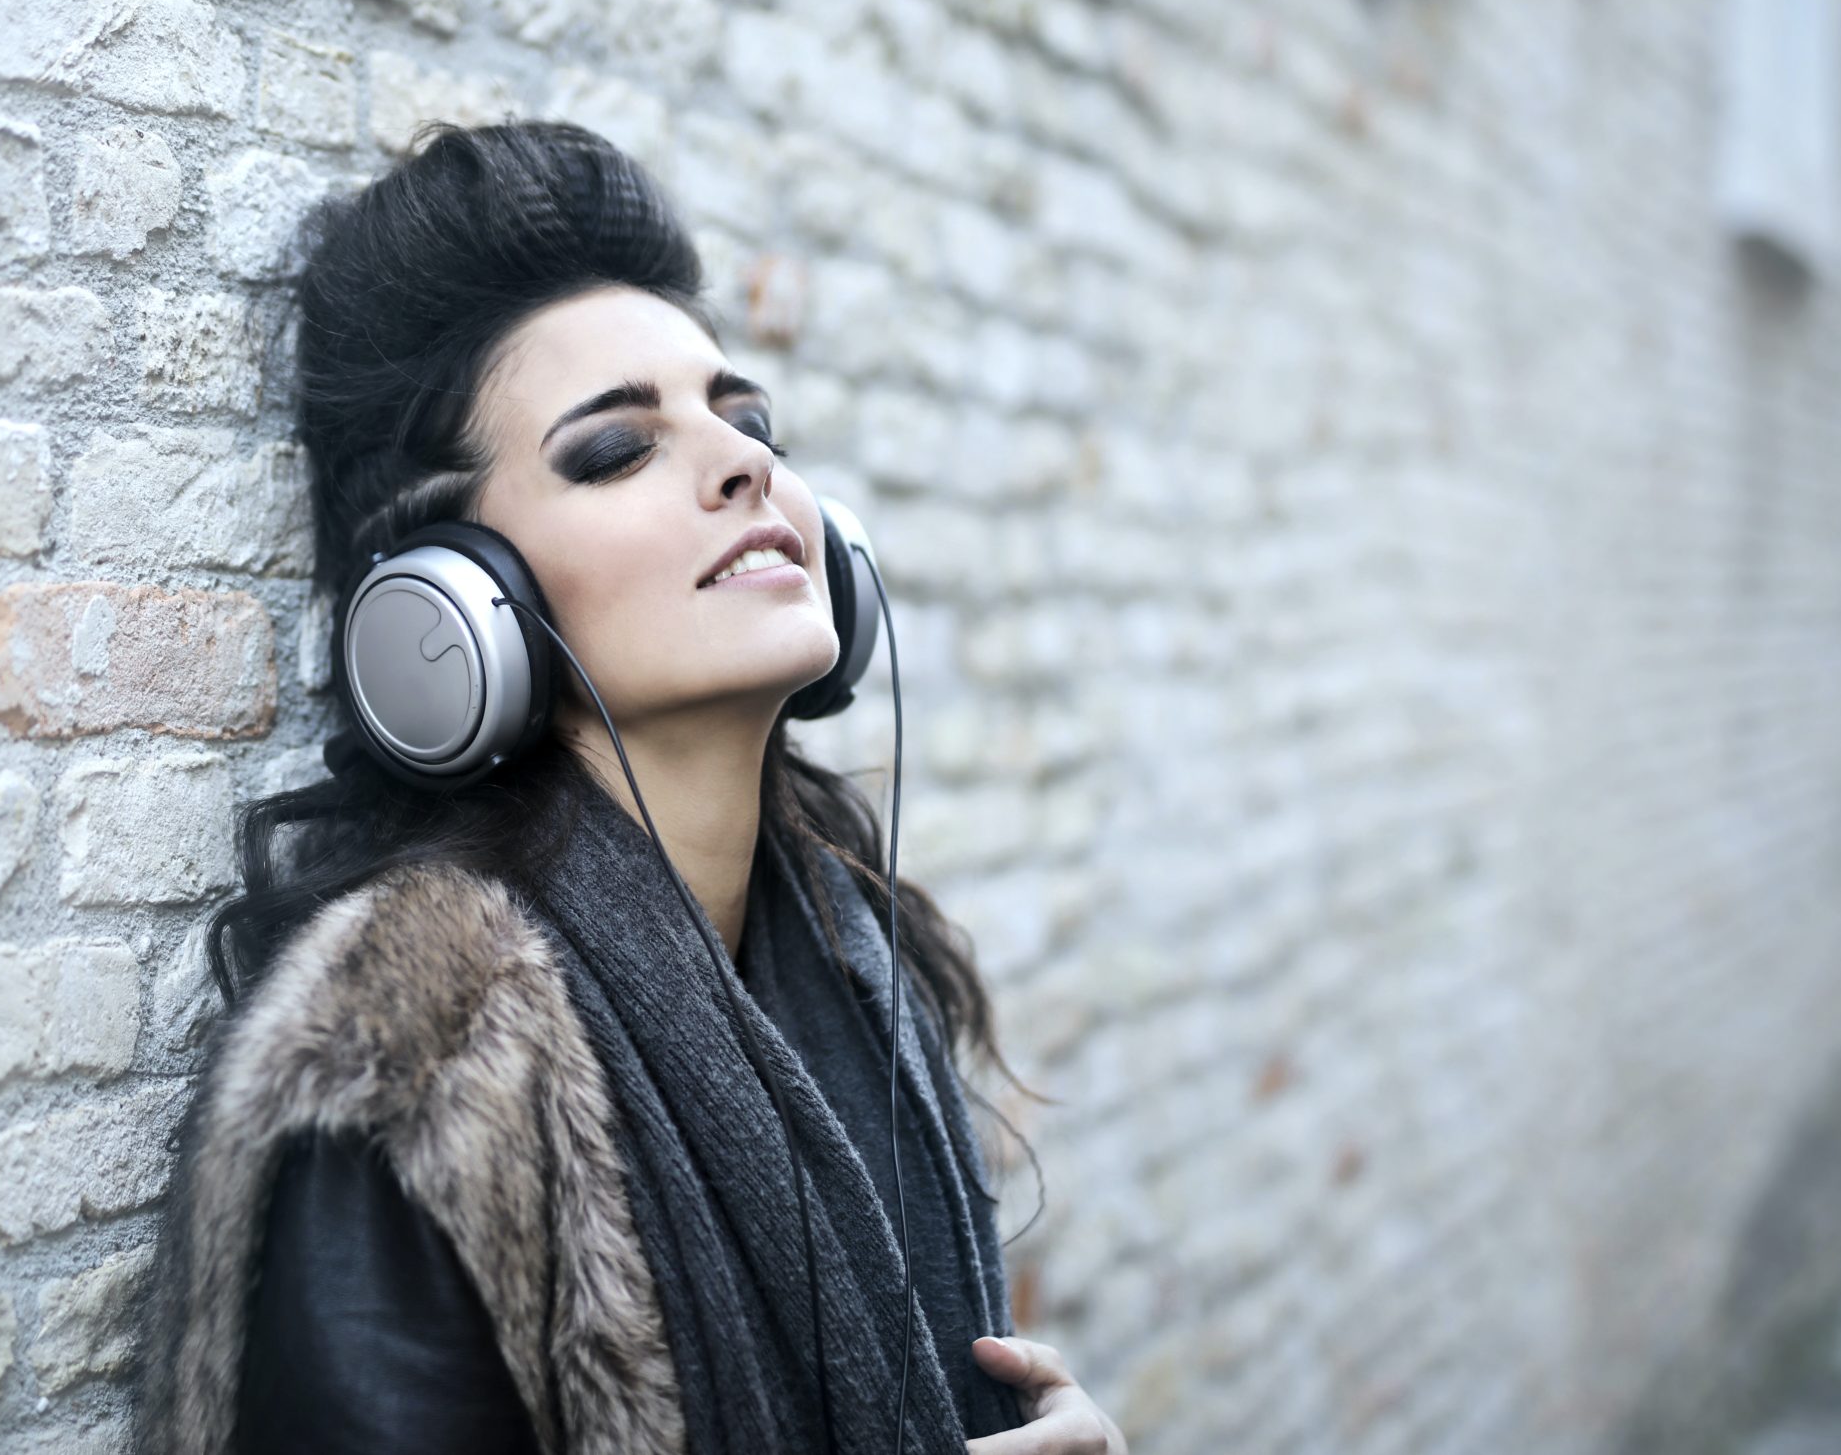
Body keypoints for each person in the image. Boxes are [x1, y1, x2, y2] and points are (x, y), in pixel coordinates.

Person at [126, 120, 1128, 1455]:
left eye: (745, 418)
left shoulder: (855, 957)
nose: (744, 465)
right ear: (456, 614)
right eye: (615, 450)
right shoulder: (418, 1065)